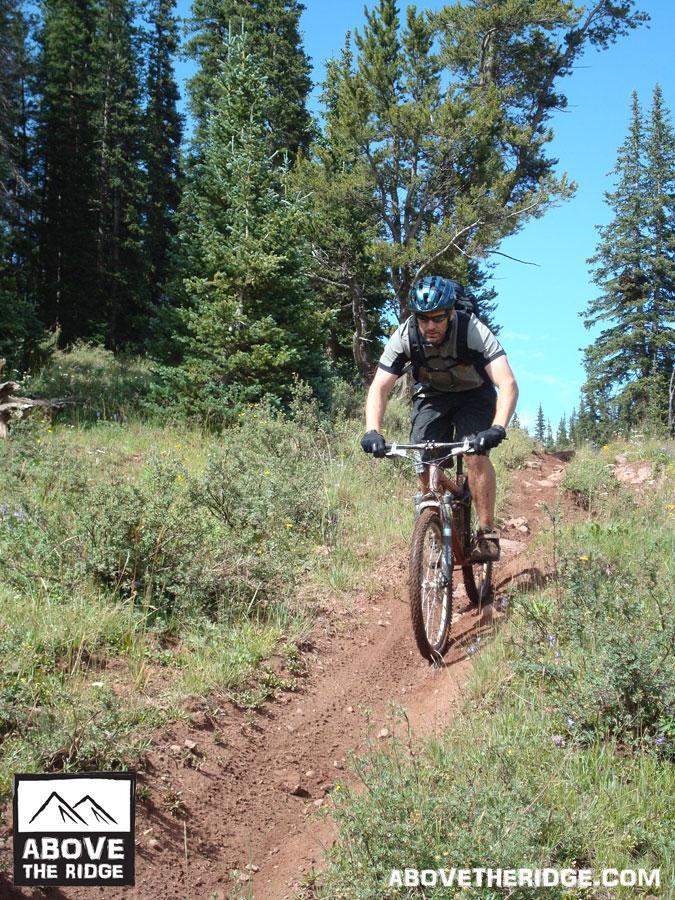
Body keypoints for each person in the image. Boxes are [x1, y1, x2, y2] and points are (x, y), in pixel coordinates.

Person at [360, 275, 518, 562]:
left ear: (451, 313)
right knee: (423, 457)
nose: (430, 326)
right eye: (423, 319)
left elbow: (507, 384)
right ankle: (433, 523)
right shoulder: (405, 336)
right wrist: (373, 430)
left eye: (438, 318)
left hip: (475, 394)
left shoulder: (472, 330)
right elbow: (379, 388)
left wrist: (497, 428)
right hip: (433, 395)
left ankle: (486, 533)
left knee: (475, 455)